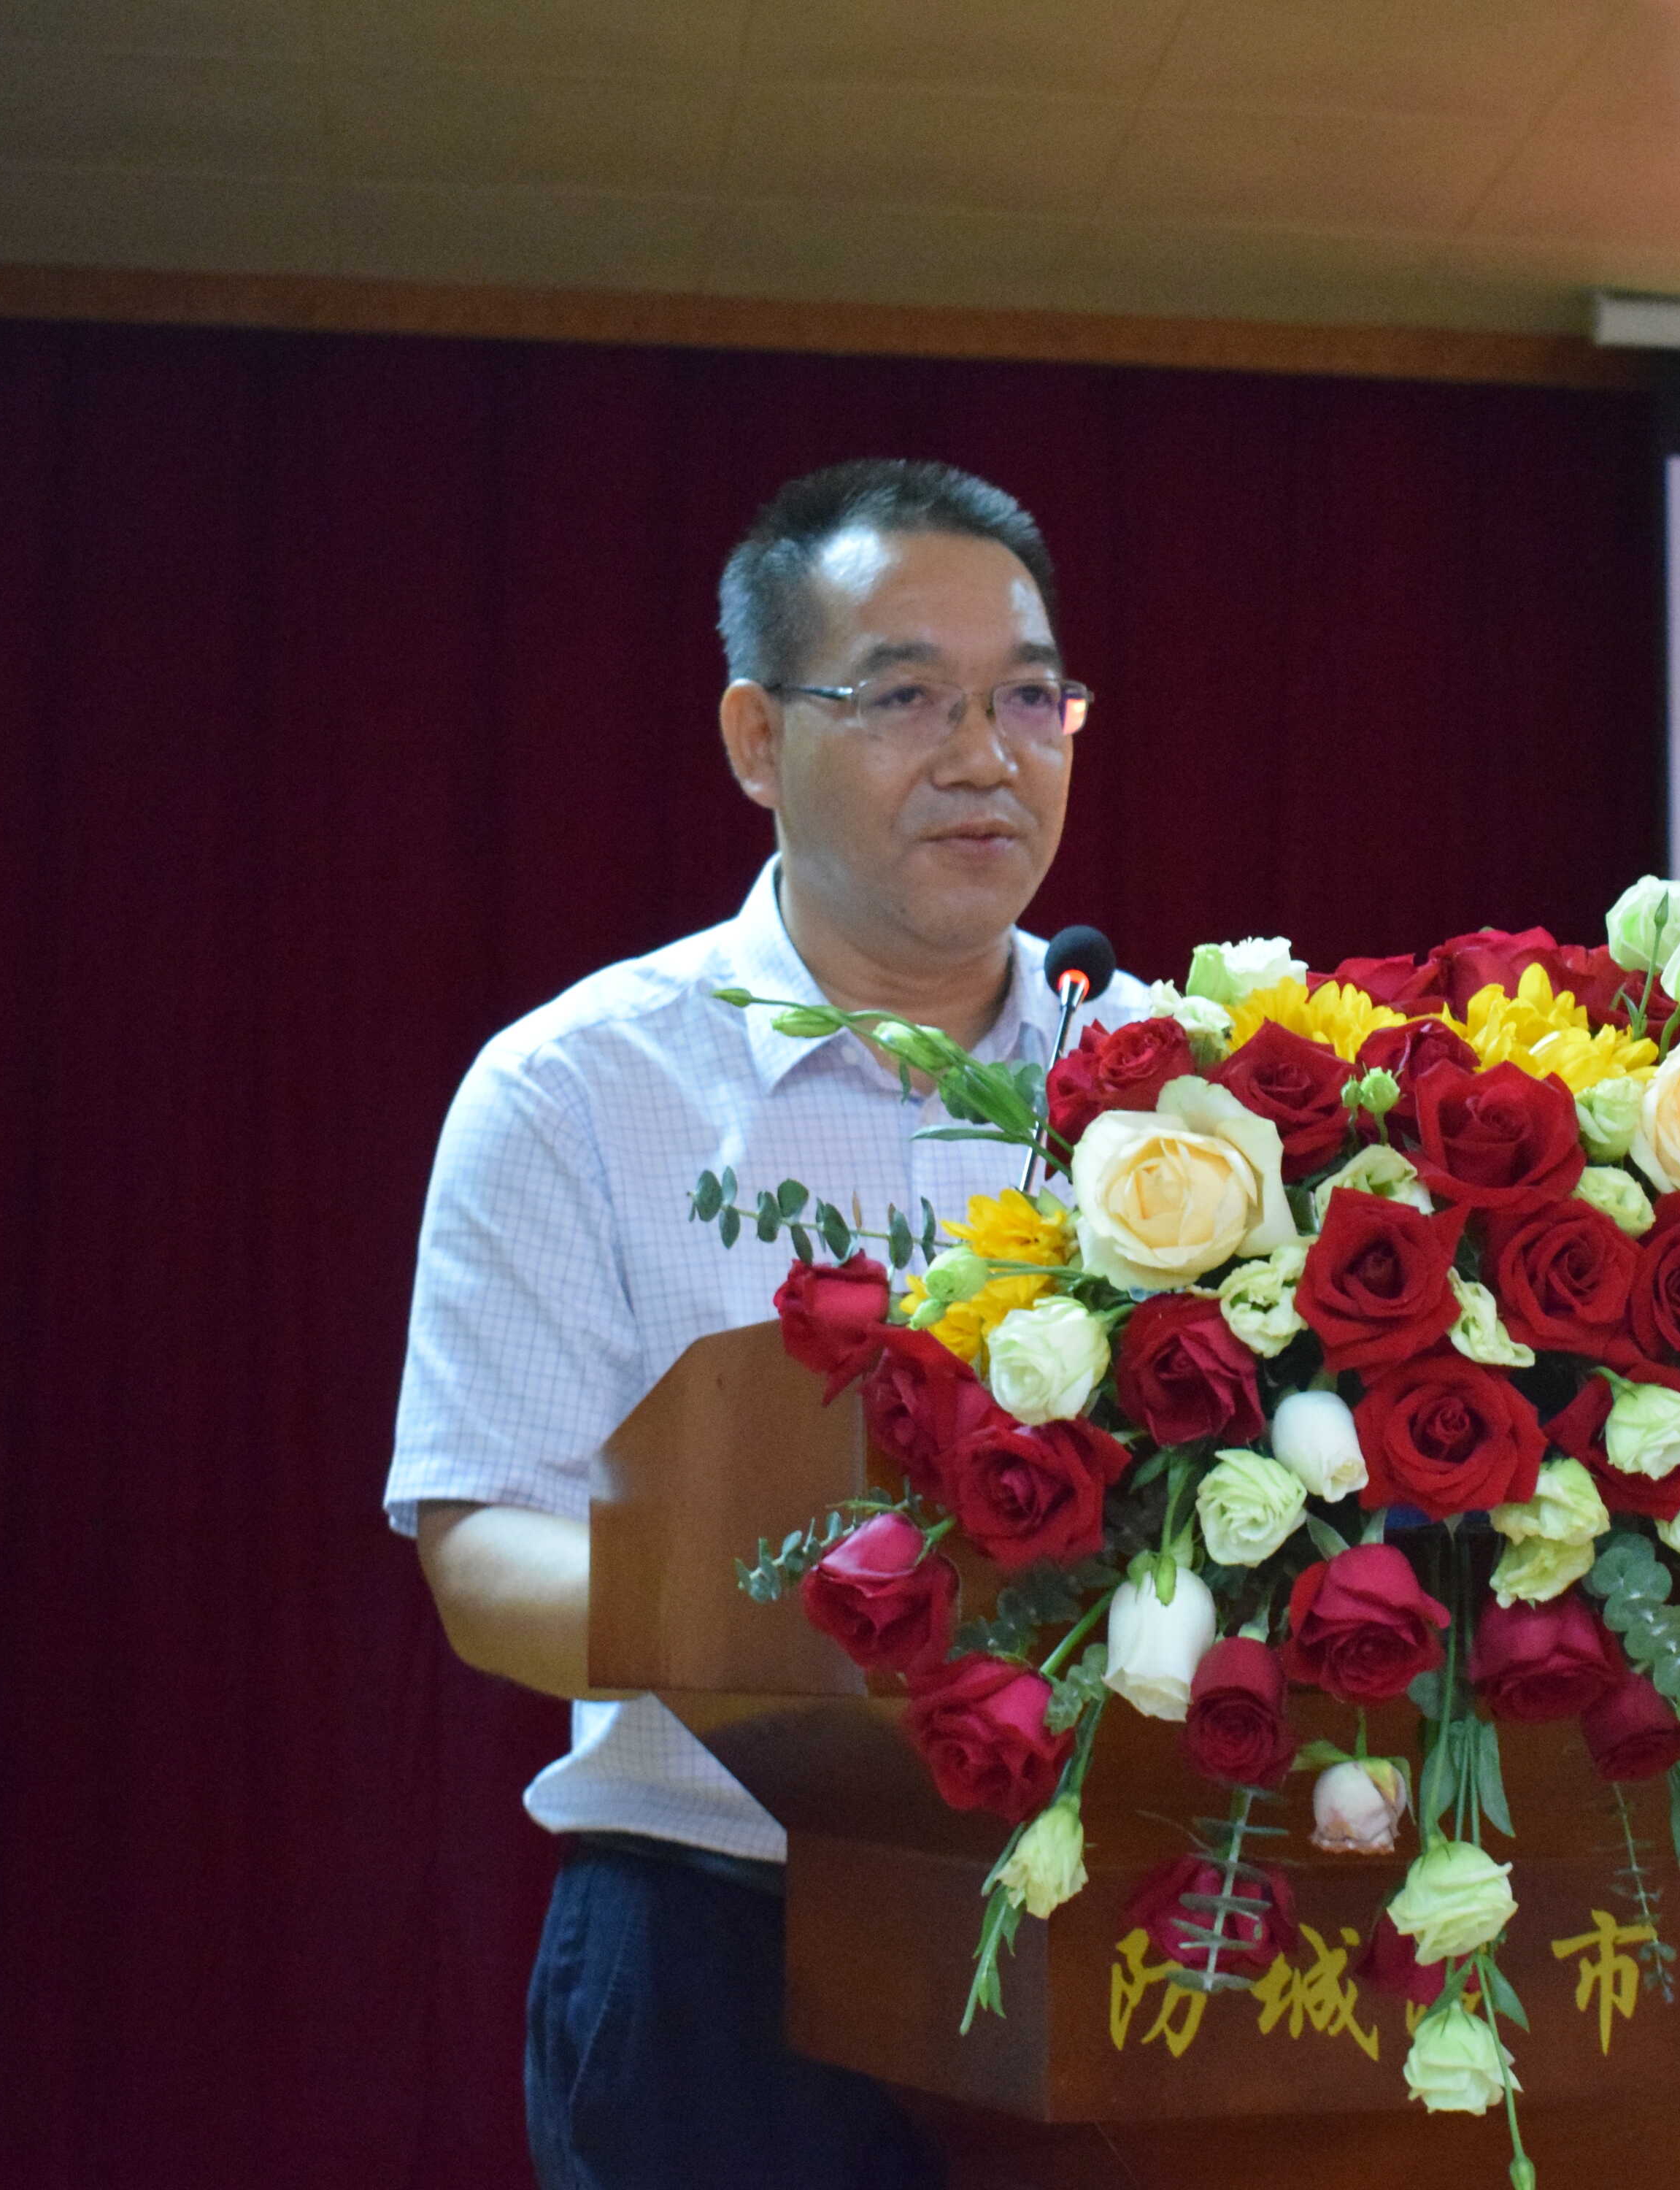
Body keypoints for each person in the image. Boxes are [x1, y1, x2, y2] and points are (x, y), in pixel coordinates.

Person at [384, 460, 1143, 2190]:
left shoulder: (1176, 1091)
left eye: (1030, 697)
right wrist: (827, 1630)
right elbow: (481, 1550)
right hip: (726, 1961)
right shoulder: (580, 1090)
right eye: (906, 698)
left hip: (1117, 1941)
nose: (985, 754)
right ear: (753, 736)